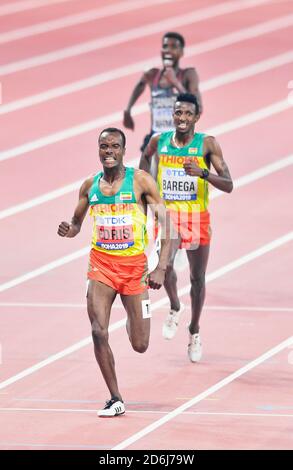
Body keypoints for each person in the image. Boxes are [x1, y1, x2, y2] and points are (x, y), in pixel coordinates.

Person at [58, 128, 170, 417]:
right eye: (103, 146)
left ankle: (133, 319)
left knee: (140, 344)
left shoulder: (141, 181)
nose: (109, 151)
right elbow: (76, 222)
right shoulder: (89, 186)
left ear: (123, 149)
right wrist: (69, 230)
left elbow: (169, 227)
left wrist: (160, 268)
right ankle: (115, 397)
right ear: (98, 149)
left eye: (115, 146)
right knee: (97, 331)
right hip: (101, 266)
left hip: (134, 269)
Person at [139, 93, 233, 363]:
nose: (182, 118)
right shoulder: (160, 141)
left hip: (197, 218)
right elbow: (144, 163)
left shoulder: (207, 144)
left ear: (197, 117)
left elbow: (229, 184)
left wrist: (203, 173)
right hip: (168, 217)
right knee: (164, 268)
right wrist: (146, 189)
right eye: (178, 113)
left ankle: (194, 330)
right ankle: (174, 306)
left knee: (197, 278)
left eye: (187, 114)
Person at [123, 32, 202, 151]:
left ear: (181, 52)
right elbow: (140, 85)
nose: (168, 50)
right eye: (165, 46)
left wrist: (175, 82)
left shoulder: (188, 75)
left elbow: (198, 107)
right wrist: (127, 110)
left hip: (180, 140)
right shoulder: (152, 74)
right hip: (156, 137)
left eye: (173, 47)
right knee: (145, 166)